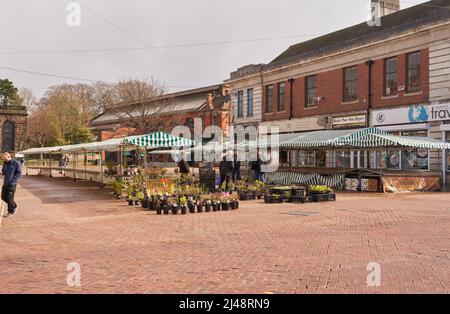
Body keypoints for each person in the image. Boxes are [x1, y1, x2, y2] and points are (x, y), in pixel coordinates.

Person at [1, 152, 22, 217]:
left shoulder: (16, 163)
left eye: (5, 159)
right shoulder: (5, 163)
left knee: (9, 199)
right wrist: (3, 172)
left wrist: (13, 180)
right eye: (4, 159)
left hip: (12, 184)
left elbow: (18, 173)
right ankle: (14, 205)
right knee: (3, 197)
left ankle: (11, 212)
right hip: (5, 183)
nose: (4, 161)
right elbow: (4, 171)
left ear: (9, 157)